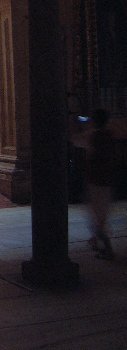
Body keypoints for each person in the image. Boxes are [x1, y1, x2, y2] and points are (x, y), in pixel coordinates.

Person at [82, 109, 117, 260]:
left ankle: (107, 248)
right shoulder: (110, 135)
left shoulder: (91, 135)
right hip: (107, 179)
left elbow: (78, 142)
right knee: (102, 214)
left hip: (95, 180)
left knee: (96, 215)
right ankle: (97, 241)